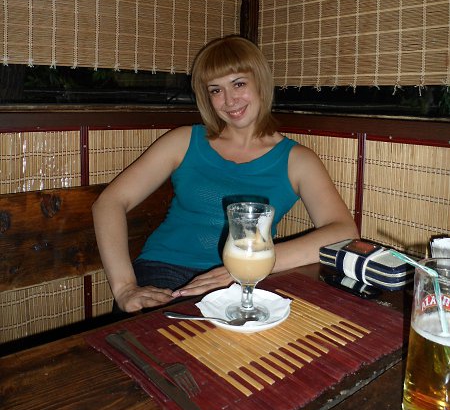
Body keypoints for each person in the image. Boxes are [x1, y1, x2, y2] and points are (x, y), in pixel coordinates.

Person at [92, 35, 358, 313]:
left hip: (244, 280)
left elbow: (343, 231)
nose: (229, 100)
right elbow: (109, 202)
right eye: (216, 90)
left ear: (260, 82)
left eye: (239, 84)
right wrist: (124, 288)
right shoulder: (183, 141)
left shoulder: (297, 160)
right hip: (165, 273)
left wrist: (253, 264)